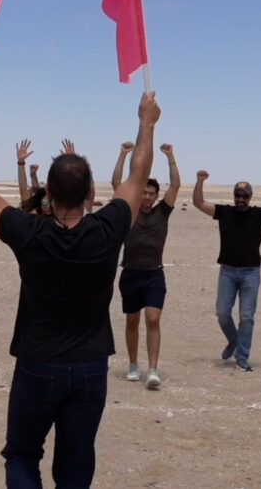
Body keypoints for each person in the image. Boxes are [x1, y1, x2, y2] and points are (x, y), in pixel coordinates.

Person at [0, 91, 160, 489]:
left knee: (22, 455)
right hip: (89, 367)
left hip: (37, 364)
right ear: (91, 194)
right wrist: (146, 123)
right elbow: (137, 176)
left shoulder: (29, 232)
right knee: (76, 467)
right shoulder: (109, 228)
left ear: (47, 191)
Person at [192, 172, 261, 371]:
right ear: (234, 196)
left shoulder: (259, 215)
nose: (240, 199)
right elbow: (198, 203)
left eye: (245, 196)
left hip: (250, 273)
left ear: (250, 198)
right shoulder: (224, 212)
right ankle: (234, 340)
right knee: (222, 313)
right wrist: (200, 182)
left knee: (247, 316)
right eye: (238, 195)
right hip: (228, 271)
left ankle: (242, 357)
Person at [110, 142, 180, 389]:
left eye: (151, 193)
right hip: (130, 274)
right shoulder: (129, 210)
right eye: (144, 192)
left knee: (153, 319)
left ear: (156, 195)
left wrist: (170, 157)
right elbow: (116, 183)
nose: (147, 196)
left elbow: (176, 186)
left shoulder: (163, 212)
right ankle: (132, 365)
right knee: (132, 321)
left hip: (154, 275)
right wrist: (123, 155)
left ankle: (152, 369)